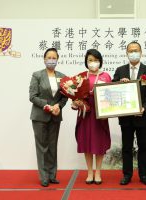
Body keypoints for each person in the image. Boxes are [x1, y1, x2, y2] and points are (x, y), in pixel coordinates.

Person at [112, 41, 146, 185]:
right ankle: (127, 175)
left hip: (142, 115)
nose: (133, 53)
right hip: (125, 117)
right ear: (126, 53)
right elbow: (112, 90)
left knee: (143, 147)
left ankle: (143, 175)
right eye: (130, 51)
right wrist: (119, 83)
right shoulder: (120, 70)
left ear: (141, 52)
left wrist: (145, 108)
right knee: (127, 147)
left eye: (136, 50)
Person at [29, 48, 68, 187]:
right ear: (44, 59)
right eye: (49, 57)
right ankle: (44, 176)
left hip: (55, 116)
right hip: (40, 116)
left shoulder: (63, 77)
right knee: (42, 147)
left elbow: (65, 97)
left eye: (54, 57)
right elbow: (32, 96)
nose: (51, 60)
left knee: (52, 147)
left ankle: (52, 175)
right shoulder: (37, 75)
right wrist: (47, 105)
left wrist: (58, 106)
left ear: (57, 59)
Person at [72, 49, 111, 185]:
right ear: (86, 62)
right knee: (86, 142)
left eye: (95, 60)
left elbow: (110, 96)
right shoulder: (81, 77)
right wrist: (75, 103)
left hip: (100, 115)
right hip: (85, 114)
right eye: (90, 60)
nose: (93, 63)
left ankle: (98, 172)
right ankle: (89, 172)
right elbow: (74, 97)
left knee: (99, 143)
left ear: (100, 61)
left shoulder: (106, 76)